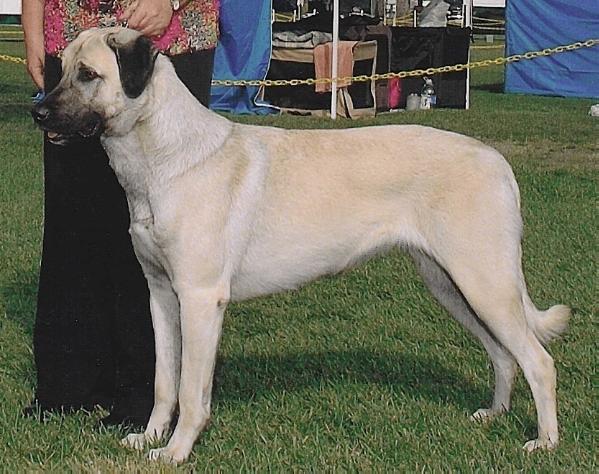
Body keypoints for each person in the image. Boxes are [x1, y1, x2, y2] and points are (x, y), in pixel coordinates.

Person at [21, 0, 220, 427]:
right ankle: (69, 384)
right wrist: (33, 29)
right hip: (73, 35)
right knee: (72, 222)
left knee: (163, 236)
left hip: (166, 38)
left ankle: (147, 395)